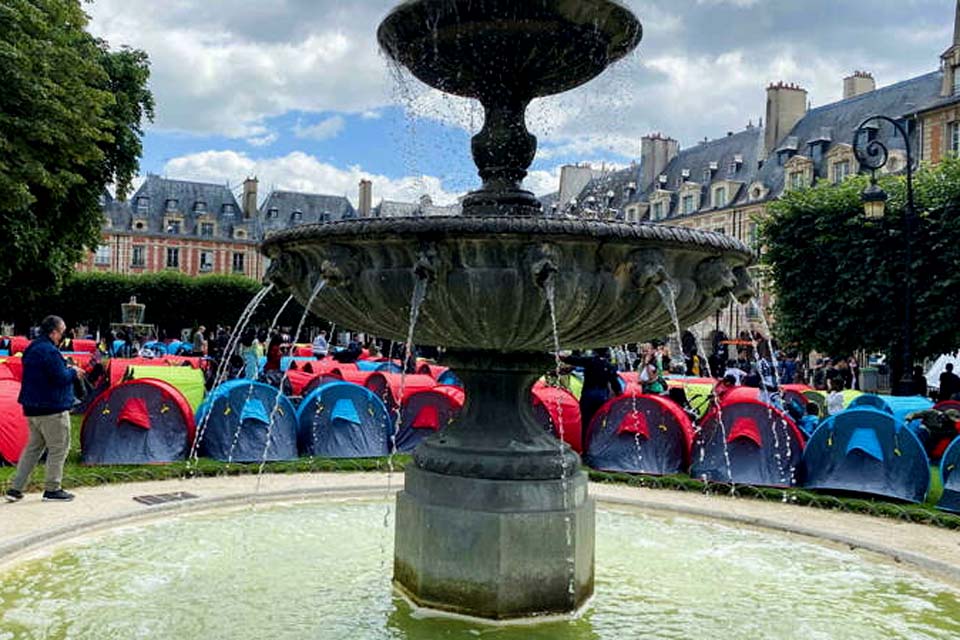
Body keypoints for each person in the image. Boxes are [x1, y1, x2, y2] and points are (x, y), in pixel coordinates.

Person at [6, 316, 84, 503]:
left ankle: (15, 488)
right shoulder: (50, 351)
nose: (63, 336)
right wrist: (73, 372)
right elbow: (60, 378)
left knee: (32, 449)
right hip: (52, 408)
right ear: (54, 332)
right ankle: (52, 489)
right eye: (62, 332)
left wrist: (64, 367)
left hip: (32, 408)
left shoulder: (32, 348)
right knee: (59, 448)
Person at [562, 348, 624, 445]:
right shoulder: (609, 366)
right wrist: (619, 396)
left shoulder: (590, 361)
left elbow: (574, 360)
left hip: (588, 394)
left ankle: (585, 444)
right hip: (602, 396)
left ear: (594, 352)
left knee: (586, 421)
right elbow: (615, 384)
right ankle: (597, 442)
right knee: (599, 421)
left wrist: (562, 357)